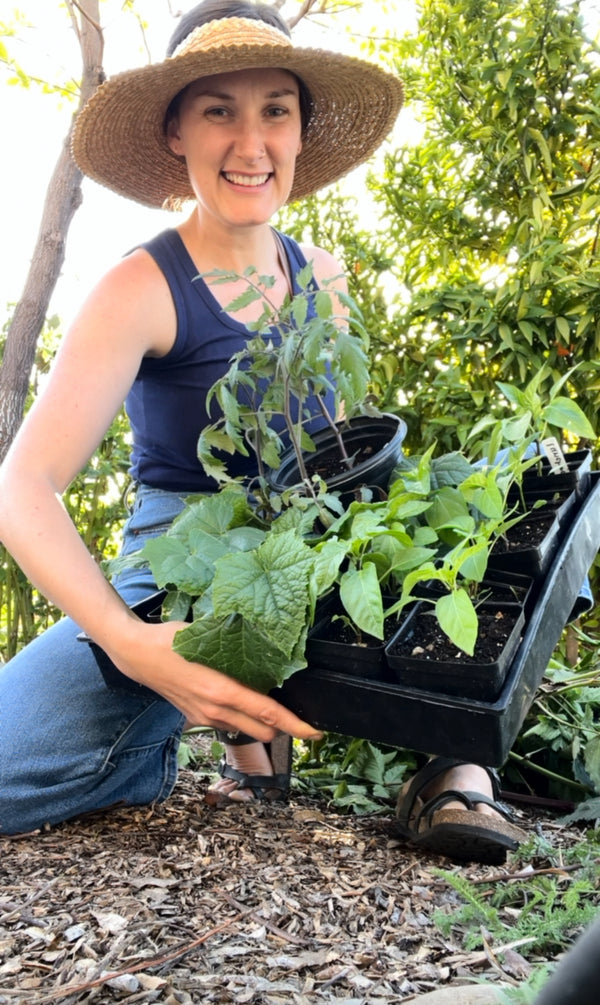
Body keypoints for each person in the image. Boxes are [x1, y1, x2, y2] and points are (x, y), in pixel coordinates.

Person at [0, 0, 524, 862]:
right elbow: (22, 489)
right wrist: (133, 647)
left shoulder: (325, 277)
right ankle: (140, 747)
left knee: (524, 535)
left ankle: (453, 771)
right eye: (219, 111)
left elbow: (350, 459)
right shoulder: (140, 286)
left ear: (302, 130)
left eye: (275, 109)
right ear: (175, 132)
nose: (252, 144)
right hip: (179, 570)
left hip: (312, 550)